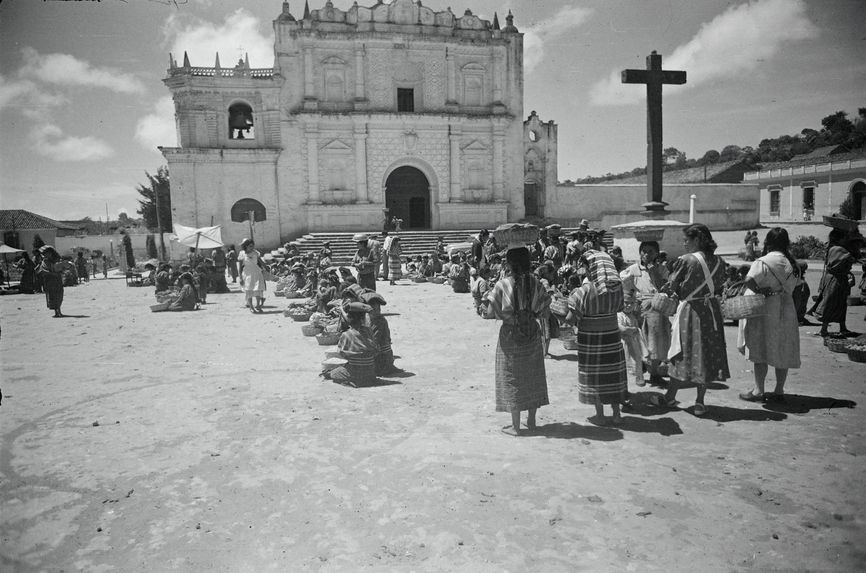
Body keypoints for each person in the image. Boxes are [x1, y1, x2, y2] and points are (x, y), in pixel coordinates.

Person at [661, 223, 729, 417]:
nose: (683, 244)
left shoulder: (687, 260)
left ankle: (670, 396)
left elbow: (672, 286)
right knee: (705, 354)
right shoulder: (719, 261)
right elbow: (720, 285)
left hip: (691, 312)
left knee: (680, 353)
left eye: (686, 240)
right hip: (711, 311)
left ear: (697, 240)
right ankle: (700, 402)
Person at [484, 246, 551, 436]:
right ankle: (531, 420)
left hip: (511, 336)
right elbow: (544, 310)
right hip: (531, 333)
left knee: (512, 376)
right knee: (533, 375)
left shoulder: (502, 285)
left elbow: (490, 313)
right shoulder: (536, 283)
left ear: (509, 264)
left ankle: (515, 426)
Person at [737, 227, 802, 403]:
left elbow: (749, 280)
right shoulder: (792, 263)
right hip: (786, 309)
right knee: (782, 347)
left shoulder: (763, 261)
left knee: (760, 348)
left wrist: (760, 290)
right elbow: (795, 286)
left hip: (765, 310)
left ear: (768, 242)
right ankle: (779, 390)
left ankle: (759, 391)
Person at [566, 250, 628, 425]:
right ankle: (616, 414)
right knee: (612, 374)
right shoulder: (618, 289)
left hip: (591, 341)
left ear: (591, 267)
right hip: (612, 337)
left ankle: (600, 415)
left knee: (595, 376)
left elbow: (570, 319)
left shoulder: (584, 291)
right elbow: (620, 307)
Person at [620, 241, 671, 386]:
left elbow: (664, 288)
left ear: (657, 254)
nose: (647, 254)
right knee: (638, 341)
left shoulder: (661, 269)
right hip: (639, 309)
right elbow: (624, 285)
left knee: (655, 342)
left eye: (651, 251)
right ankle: (639, 372)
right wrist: (630, 300)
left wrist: (654, 271)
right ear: (640, 253)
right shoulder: (633, 269)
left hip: (657, 309)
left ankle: (654, 373)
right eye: (644, 251)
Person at [814, 228, 861, 337]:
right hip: (834, 280)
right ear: (839, 238)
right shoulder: (837, 249)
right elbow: (849, 258)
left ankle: (842, 327)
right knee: (830, 302)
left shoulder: (837, 248)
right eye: (845, 237)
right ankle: (824, 329)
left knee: (841, 303)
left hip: (840, 279)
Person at [322, 301, 379, 387]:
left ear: (349, 318)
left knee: (334, 373)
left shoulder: (346, 334)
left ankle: (350, 379)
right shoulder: (368, 331)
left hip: (356, 372)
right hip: (370, 372)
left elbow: (341, 353)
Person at [238, 238, 266, 313]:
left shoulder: (256, 253)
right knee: (249, 291)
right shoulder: (242, 254)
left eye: (252, 246)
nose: (252, 248)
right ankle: (251, 307)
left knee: (257, 290)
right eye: (250, 246)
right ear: (246, 246)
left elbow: (261, 262)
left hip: (257, 273)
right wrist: (240, 278)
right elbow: (240, 268)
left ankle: (258, 306)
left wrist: (267, 267)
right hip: (247, 274)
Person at [36, 246, 64, 317]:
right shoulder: (44, 261)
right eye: (45, 254)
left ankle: (59, 310)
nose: (45, 255)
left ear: (51, 253)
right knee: (52, 296)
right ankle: (57, 311)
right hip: (50, 281)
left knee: (59, 295)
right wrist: (50, 273)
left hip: (57, 280)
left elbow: (62, 268)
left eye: (47, 253)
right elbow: (41, 270)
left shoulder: (57, 260)